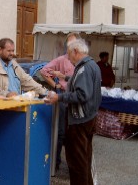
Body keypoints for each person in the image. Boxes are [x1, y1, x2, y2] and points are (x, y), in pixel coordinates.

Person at [44, 38, 102, 185]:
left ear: (76, 51)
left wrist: (59, 97)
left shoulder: (84, 68)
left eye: (69, 55)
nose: (68, 59)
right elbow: (82, 81)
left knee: (77, 162)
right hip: (89, 117)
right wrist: (65, 77)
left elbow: (82, 94)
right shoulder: (91, 65)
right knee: (85, 157)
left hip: (80, 120)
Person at [40, 33, 78, 171]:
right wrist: (54, 84)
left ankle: (73, 166)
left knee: (74, 133)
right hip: (63, 96)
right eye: (70, 44)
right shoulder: (62, 59)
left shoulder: (81, 61)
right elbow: (44, 71)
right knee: (60, 131)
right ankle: (54, 164)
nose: (72, 47)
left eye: (75, 44)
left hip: (76, 98)